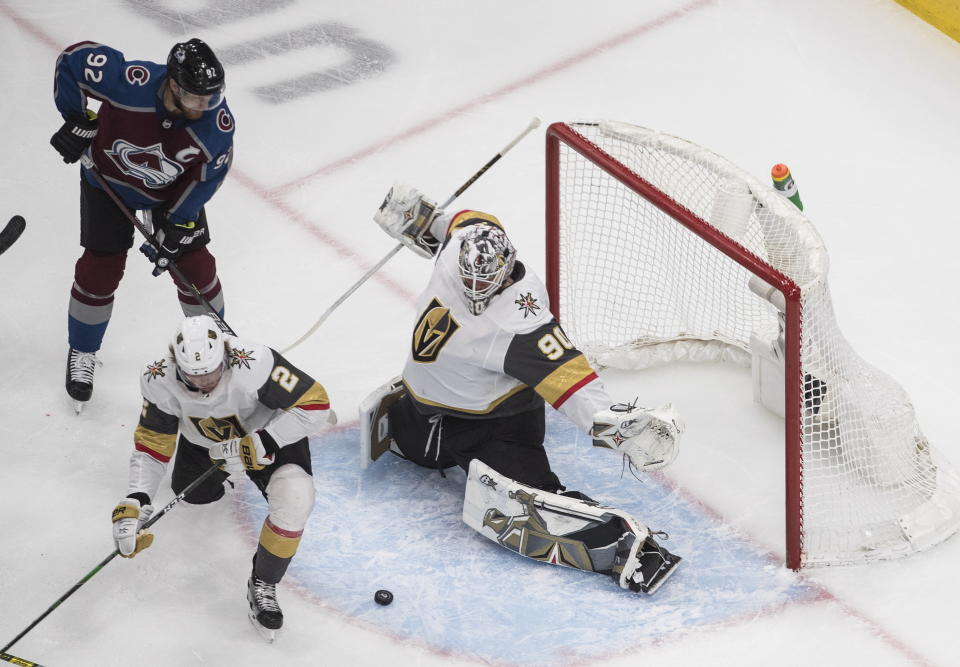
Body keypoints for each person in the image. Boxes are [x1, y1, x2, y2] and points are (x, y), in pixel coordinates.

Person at [359, 184, 685, 595]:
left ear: (507, 266)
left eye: (486, 285)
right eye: (469, 282)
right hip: (429, 411)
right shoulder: (466, 239)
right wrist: (420, 219)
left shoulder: (521, 323)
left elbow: (572, 379)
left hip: (496, 422)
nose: (476, 294)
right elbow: (454, 224)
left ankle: (623, 547)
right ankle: (427, 430)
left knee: (528, 505)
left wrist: (615, 426)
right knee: (419, 454)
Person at [110, 315, 334, 641]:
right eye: (193, 375)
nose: (205, 383)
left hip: (267, 436)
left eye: (212, 372)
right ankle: (224, 477)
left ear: (226, 355)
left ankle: (264, 582)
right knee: (194, 498)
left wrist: (261, 443)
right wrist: (136, 500)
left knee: (296, 500)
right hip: (205, 445)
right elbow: (152, 444)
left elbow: (316, 404)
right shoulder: (157, 377)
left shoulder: (254, 361)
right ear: (176, 364)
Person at [51, 38, 235, 410]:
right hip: (108, 184)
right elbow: (71, 61)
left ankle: (217, 349)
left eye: (212, 97)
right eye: (198, 98)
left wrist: (178, 223)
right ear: (173, 85)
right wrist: (77, 119)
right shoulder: (128, 83)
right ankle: (82, 351)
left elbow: (206, 178)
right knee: (100, 268)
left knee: (196, 270)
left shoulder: (216, 125)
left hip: (172, 196)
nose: (207, 106)